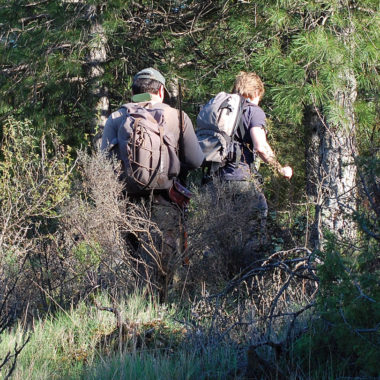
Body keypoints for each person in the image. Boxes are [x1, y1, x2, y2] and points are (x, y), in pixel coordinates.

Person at [101, 67, 204, 300]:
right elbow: (196, 161)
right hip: (166, 200)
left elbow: (104, 164)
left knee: (137, 262)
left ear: (133, 92)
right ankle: (162, 309)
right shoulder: (177, 116)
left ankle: (137, 307)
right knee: (165, 262)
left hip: (128, 202)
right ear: (161, 90)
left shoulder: (117, 118)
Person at [214, 71, 293, 259]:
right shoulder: (253, 111)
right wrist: (280, 168)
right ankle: (251, 276)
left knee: (224, 232)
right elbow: (260, 146)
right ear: (256, 92)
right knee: (254, 227)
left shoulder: (221, 110)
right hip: (241, 179)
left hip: (216, 179)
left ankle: (221, 276)